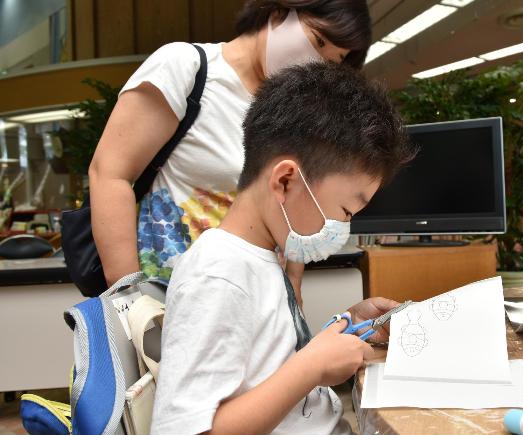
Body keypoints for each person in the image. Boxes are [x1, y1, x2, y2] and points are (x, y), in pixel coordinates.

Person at [151, 62, 414, 434]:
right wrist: (313, 368)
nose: (343, 227)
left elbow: (269, 361)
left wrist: (348, 325)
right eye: (344, 211)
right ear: (286, 180)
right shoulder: (218, 274)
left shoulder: (263, 255)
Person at [88, 0, 371, 299]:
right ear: (279, 13)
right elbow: (110, 174)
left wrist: (293, 298)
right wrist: (129, 299)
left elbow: (291, 218)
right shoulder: (188, 69)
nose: (316, 62)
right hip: (171, 306)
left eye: (331, 61)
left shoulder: (299, 114)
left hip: (257, 310)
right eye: (318, 40)